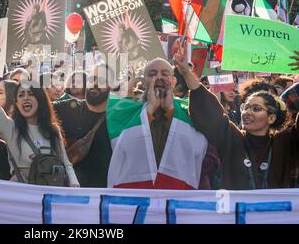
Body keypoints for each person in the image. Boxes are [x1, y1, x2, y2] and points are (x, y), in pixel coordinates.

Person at [174, 40, 299, 189]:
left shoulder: (285, 143)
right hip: (236, 212)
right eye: (245, 107)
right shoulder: (232, 139)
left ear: (271, 118)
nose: (247, 112)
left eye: (256, 109)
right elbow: (211, 114)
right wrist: (187, 73)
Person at [0, 53, 79, 187]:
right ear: (16, 103)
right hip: (20, 196)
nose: (26, 98)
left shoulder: (52, 130)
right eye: (21, 95)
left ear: (40, 100)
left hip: (49, 195)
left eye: (31, 94)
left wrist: (74, 186)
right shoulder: (11, 129)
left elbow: (65, 162)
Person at [106, 57, 209, 189]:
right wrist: (149, 111)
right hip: (136, 194)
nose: (159, 78)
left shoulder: (188, 110)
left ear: (173, 81)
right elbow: (121, 148)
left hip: (175, 195)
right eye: (153, 74)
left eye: (165, 74)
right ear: (143, 81)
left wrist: (171, 112)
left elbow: (198, 147)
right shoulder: (124, 110)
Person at [53, 64, 113, 187]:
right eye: (93, 78)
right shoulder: (67, 109)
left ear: (111, 87)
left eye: (102, 80)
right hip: (68, 193)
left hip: (101, 196)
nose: (95, 83)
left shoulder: (117, 118)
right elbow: (39, 107)